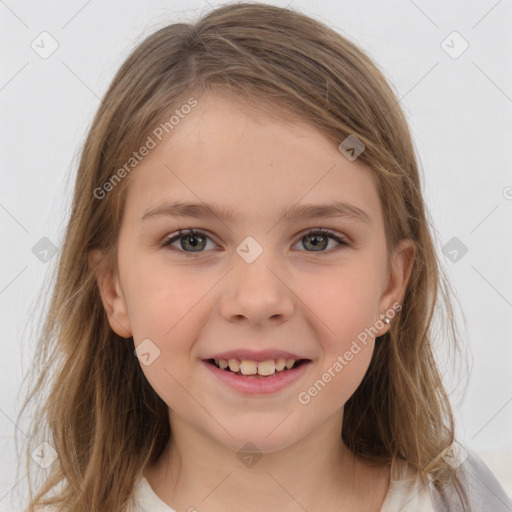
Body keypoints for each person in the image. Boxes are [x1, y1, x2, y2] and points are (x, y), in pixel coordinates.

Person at [17, 3, 512, 511]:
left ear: (391, 285)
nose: (258, 300)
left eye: (318, 240)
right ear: (113, 288)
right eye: (192, 240)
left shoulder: (477, 497)